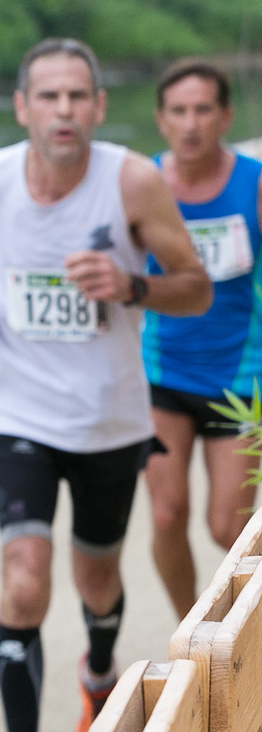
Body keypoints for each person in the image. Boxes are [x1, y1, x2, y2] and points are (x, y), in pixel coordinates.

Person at [0, 38, 211, 732]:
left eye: (76, 97)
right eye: (48, 96)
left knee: (97, 578)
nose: (63, 110)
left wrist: (131, 284)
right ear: (22, 106)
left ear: (98, 106)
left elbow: (196, 287)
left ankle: (98, 673)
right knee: (24, 582)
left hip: (108, 419)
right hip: (19, 413)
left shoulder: (131, 180)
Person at [142, 59, 262, 619]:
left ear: (225, 117)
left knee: (230, 531)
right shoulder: (140, 185)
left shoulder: (253, 184)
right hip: (161, 374)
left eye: (203, 110)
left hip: (241, 377)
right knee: (166, 515)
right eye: (179, 111)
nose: (190, 124)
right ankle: (190, 632)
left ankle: (246, 637)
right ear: (161, 119)